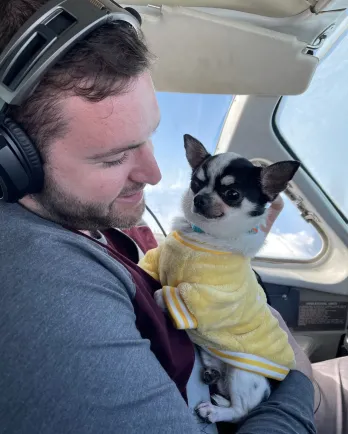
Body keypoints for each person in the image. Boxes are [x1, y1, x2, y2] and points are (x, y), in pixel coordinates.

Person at [0, 0, 340, 433]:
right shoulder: (41, 283)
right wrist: (297, 392)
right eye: (114, 157)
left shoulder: (112, 229)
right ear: (12, 160)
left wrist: (233, 248)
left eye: (147, 138)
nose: (155, 175)